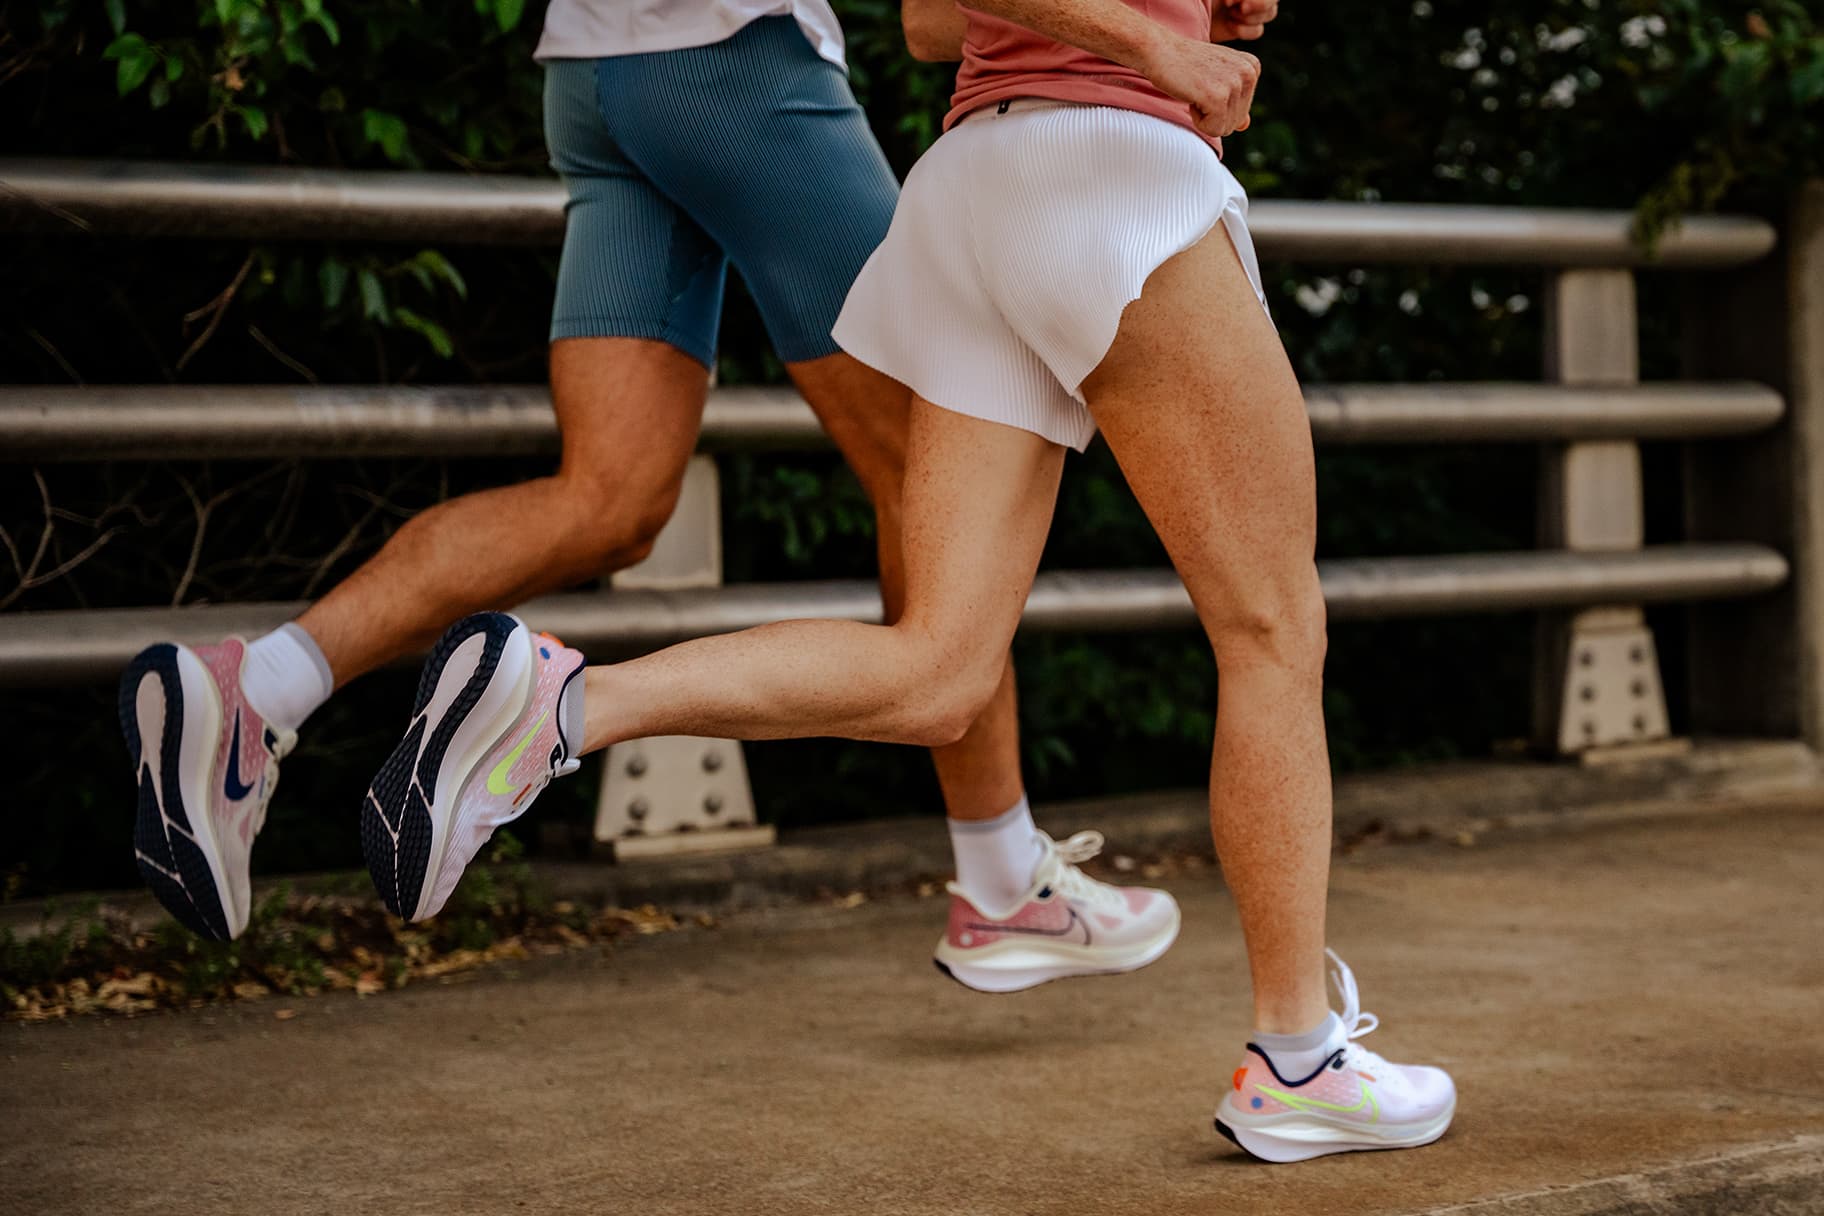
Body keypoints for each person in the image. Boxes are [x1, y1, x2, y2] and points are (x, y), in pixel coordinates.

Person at [366, 0, 1461, 1160]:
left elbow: (936, 25)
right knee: (1274, 629)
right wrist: (1156, 44)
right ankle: (1297, 1059)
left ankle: (558, 704)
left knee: (939, 671)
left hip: (979, 185)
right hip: (1108, 170)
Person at [119, 0, 1180, 993]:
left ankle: (260, 687)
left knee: (610, 496)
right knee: (932, 472)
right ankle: (1001, 883)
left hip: (596, 66)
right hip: (739, 65)